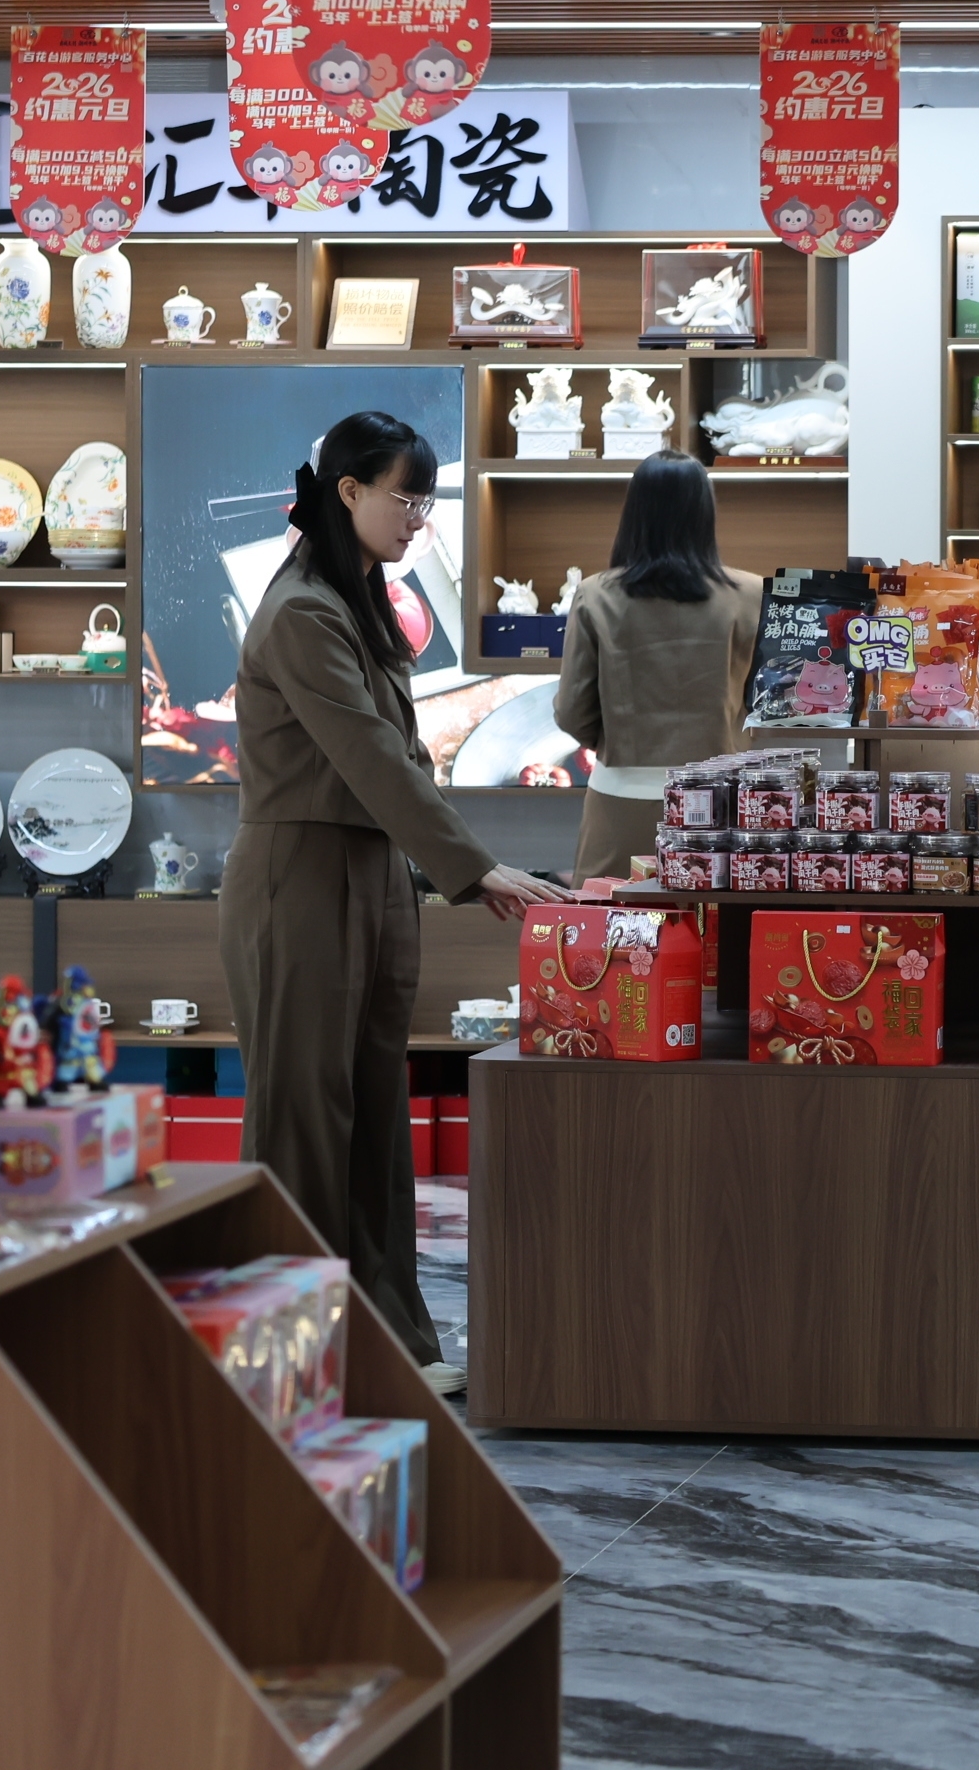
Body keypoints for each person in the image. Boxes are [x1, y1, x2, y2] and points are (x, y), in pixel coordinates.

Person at [224, 410, 568, 1373]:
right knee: (303, 1124)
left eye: (426, 499)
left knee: (375, 1121)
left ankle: (390, 1345)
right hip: (299, 875)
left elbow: (400, 756)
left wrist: (449, 863)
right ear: (349, 492)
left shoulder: (356, 594)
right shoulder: (301, 610)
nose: (421, 519)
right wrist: (471, 865)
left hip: (371, 870)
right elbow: (370, 756)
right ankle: (293, 1356)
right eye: (406, 499)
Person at [553, 451, 759, 881]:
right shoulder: (752, 593)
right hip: (722, 796)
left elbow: (572, 711)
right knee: (714, 917)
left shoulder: (595, 594)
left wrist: (615, 738)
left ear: (635, 511)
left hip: (620, 792)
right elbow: (767, 700)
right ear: (704, 511)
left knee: (612, 916)